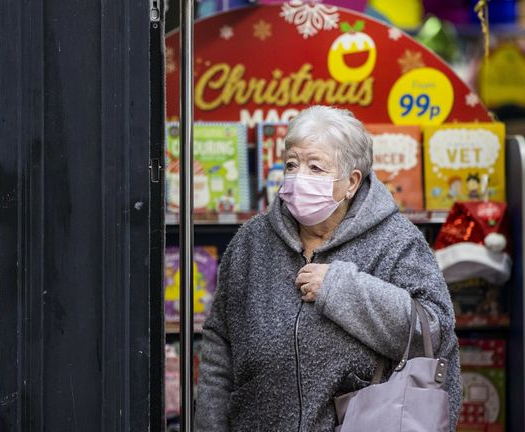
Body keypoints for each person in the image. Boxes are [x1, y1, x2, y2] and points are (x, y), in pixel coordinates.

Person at [195, 106, 460, 431]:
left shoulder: (396, 240)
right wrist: (210, 423)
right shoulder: (252, 240)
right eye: (292, 164)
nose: (298, 177)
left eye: (315, 167)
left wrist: (342, 289)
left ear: (351, 182)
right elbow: (220, 340)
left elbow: (435, 330)